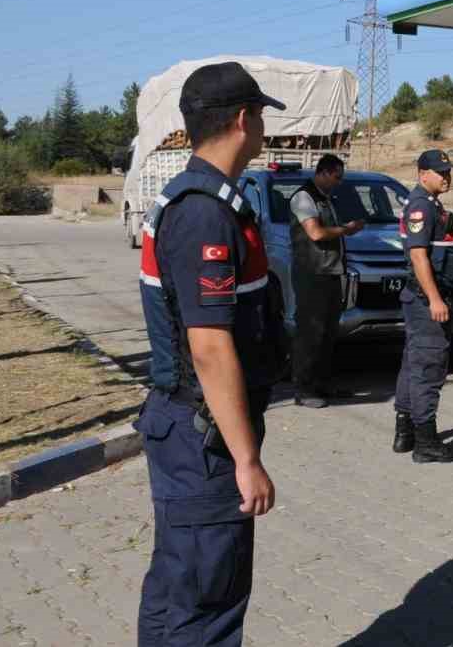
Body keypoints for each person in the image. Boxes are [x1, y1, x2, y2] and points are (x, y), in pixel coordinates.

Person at [134, 61, 289, 645]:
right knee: (207, 600)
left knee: (178, 586)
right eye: (262, 117)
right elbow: (209, 346)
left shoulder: (202, 198)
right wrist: (246, 459)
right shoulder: (203, 211)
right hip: (205, 438)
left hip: (189, 429)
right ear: (245, 119)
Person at [393, 149, 453, 463]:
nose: (446, 177)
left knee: (413, 363)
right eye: (440, 172)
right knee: (428, 367)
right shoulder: (421, 206)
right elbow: (419, 256)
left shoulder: (431, 205)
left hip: (424, 298)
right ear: (423, 173)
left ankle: (405, 432)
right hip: (427, 300)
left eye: (449, 171)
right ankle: (426, 442)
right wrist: (436, 298)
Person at [287, 153, 364, 408]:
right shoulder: (304, 197)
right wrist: (347, 229)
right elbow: (316, 233)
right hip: (312, 273)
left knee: (329, 332)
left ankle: (322, 383)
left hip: (331, 272)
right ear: (323, 172)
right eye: (336, 177)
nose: (339, 182)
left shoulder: (327, 199)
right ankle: (303, 388)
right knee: (310, 332)